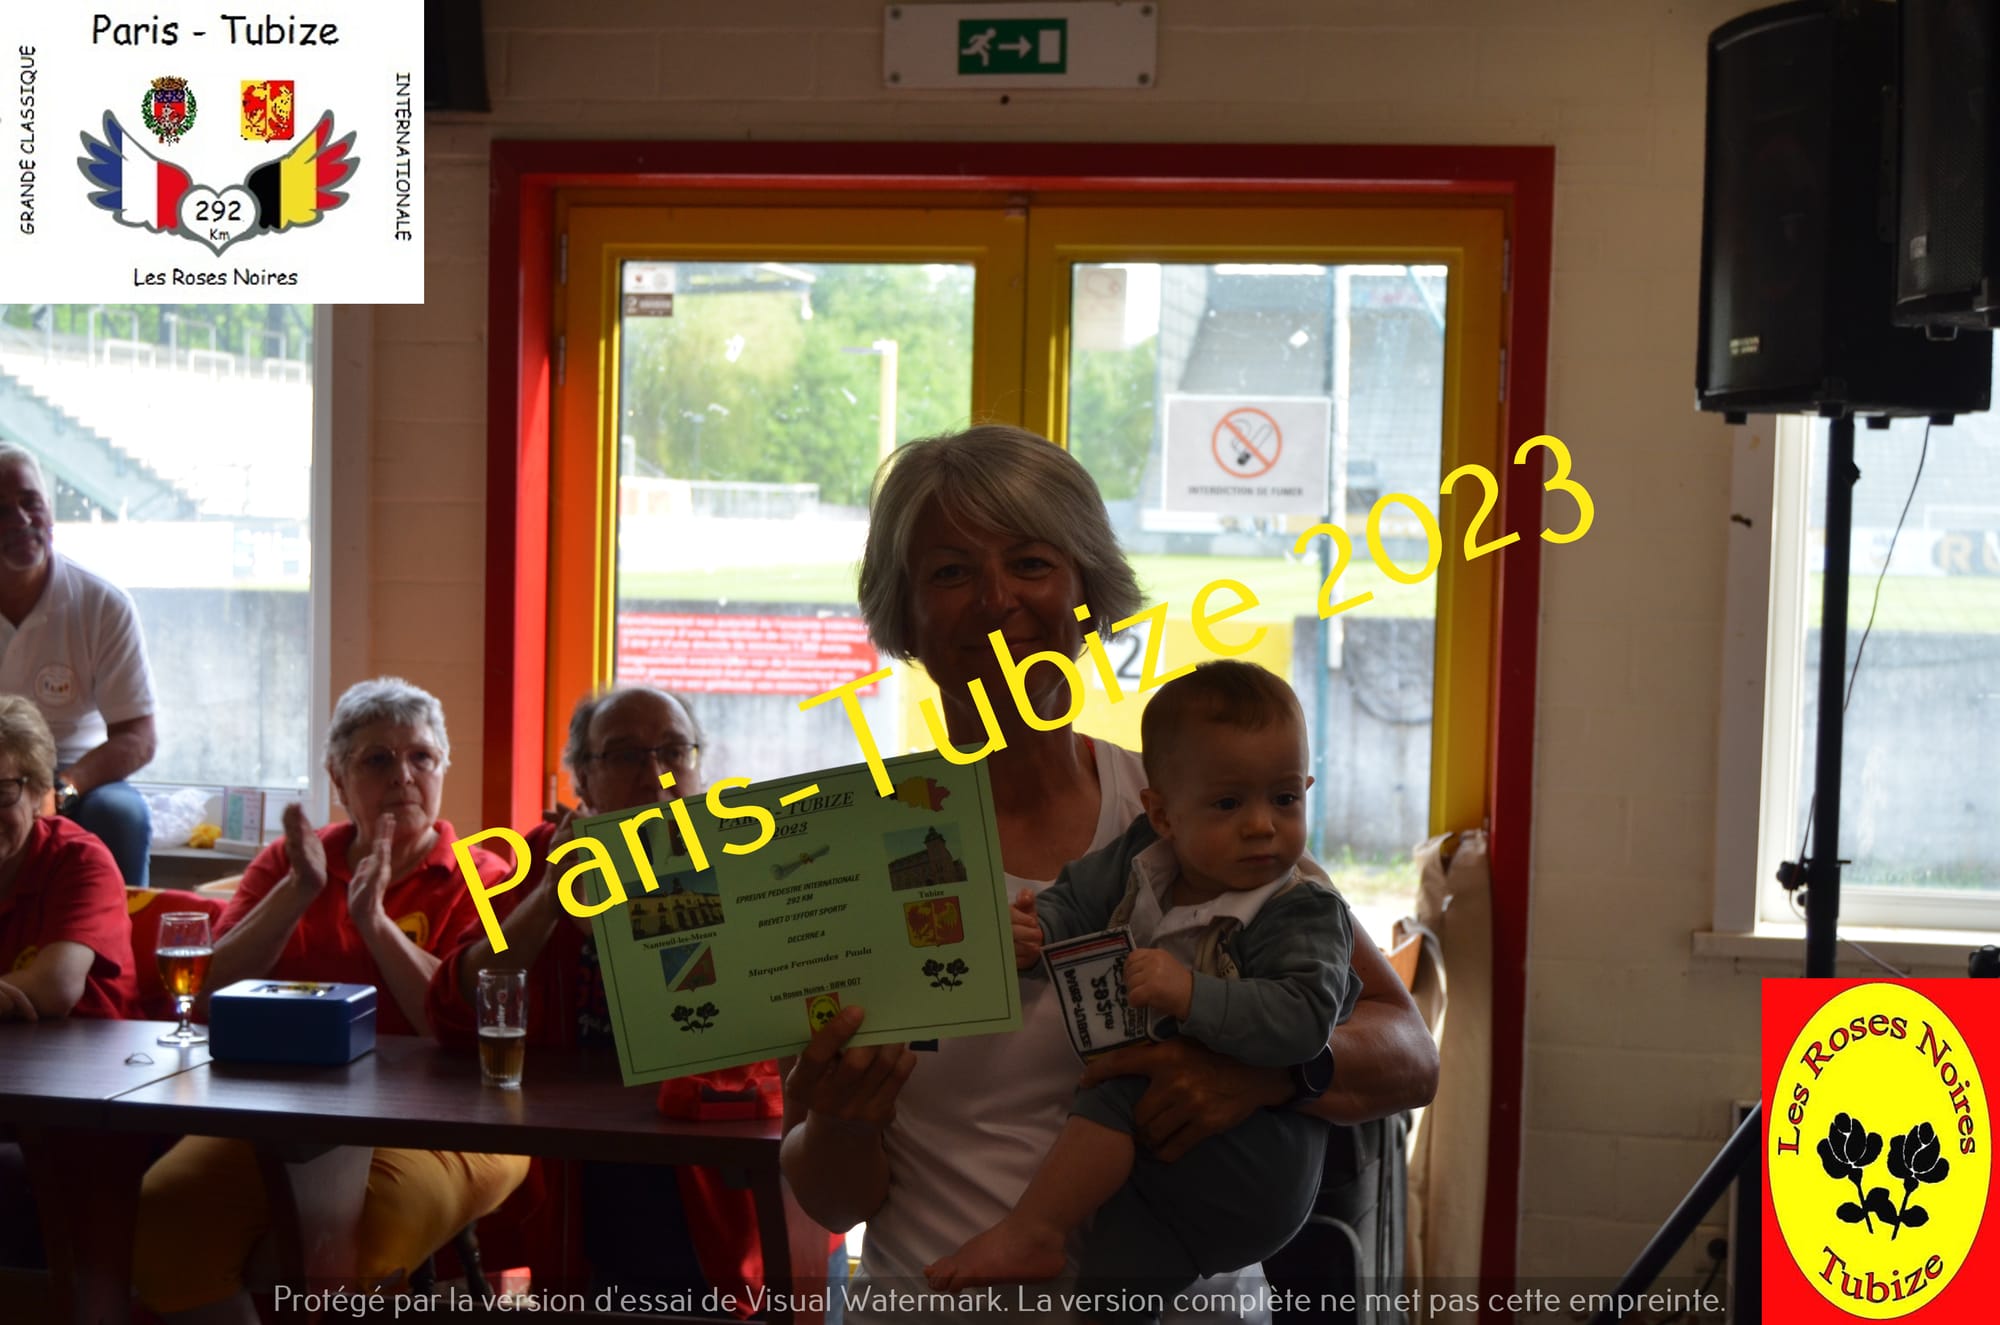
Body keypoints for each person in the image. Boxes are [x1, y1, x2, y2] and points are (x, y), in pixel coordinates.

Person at [781, 425, 1439, 1324]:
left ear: (1087, 595)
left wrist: (1274, 1073)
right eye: (950, 572)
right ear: (905, 616)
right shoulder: (843, 855)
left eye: (1031, 563)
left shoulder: (1186, 810)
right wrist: (842, 1119)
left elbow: (1409, 1050)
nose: (995, 601)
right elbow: (832, 1199)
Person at [928, 661, 1357, 1296]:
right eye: (1228, 803)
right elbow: (1075, 899)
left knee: (1122, 1080)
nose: (1262, 825)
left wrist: (1191, 993)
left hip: (1258, 1166)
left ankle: (1034, 1232)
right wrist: (1035, 931)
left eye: (1285, 798)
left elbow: (1305, 1019)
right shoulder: (1144, 858)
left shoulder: (1299, 908)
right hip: (1156, 1178)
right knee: (1112, 1291)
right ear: (1161, 815)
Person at [130, 677, 530, 1322]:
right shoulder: (290, 864)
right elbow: (201, 998)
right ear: (338, 779)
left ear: (442, 769)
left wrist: (374, 924)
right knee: (164, 1215)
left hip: (448, 1120)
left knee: (358, 1240)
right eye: (378, 759)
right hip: (282, 1111)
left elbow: (466, 1025)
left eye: (421, 757)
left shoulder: (485, 877)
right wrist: (297, 892)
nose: (403, 775)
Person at [426, 683, 779, 1303]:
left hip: (711, 1163)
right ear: (582, 779)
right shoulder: (540, 856)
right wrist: (549, 899)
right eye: (625, 755)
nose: (655, 772)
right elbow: (453, 1007)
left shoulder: (742, 850)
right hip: (580, 1165)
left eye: (674, 751)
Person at [0, 695, 139, 1269]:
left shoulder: (78, 860)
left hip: (82, 1113)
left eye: (1, 792)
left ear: (38, 792)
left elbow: (55, 987)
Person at [0, 443, 158, 890]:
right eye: (1, 511)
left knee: (120, 814)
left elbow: (138, 736)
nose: (22, 520)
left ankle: (119, 935)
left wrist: (62, 789)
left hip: (73, 771)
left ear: (50, 510)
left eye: (30, 502)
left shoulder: (103, 604)